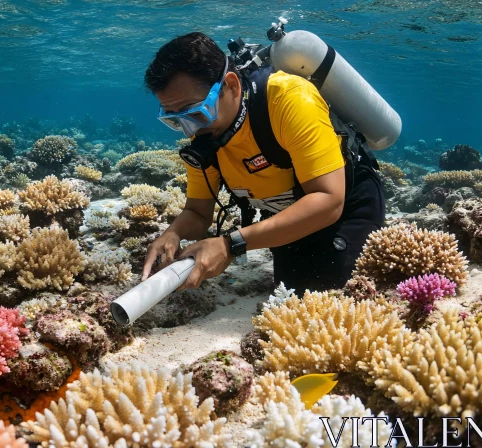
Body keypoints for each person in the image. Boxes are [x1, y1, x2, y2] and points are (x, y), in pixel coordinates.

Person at [140, 32, 385, 294]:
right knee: (290, 300)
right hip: (289, 217)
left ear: (231, 86)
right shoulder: (206, 139)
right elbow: (199, 214)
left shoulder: (290, 99)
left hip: (348, 204)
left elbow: (328, 200)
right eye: (176, 121)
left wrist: (230, 245)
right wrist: (172, 233)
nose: (190, 132)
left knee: (341, 301)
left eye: (196, 113)